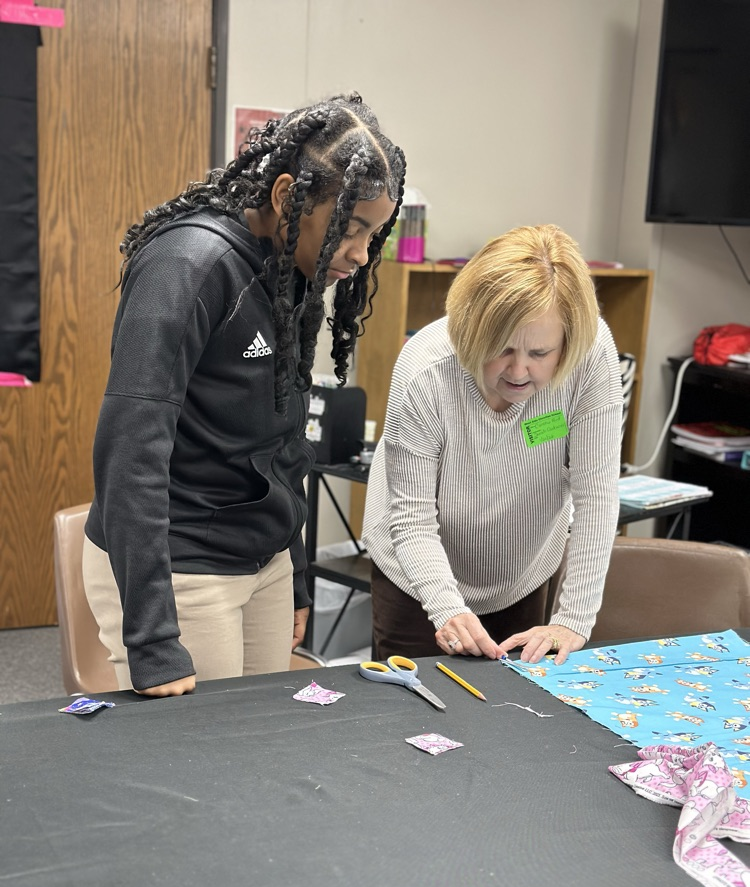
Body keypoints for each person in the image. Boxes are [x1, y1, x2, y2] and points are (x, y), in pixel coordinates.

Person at [82, 92, 405, 697]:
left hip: (262, 563)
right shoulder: (190, 266)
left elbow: (282, 439)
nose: (361, 256)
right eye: (352, 229)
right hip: (182, 565)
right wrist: (152, 638)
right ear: (288, 197)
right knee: (196, 773)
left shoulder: (292, 271)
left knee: (254, 757)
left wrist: (297, 573)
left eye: (374, 235)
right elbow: (131, 453)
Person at [362, 224, 623, 667]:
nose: (519, 371)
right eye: (502, 349)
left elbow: (596, 495)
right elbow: (412, 520)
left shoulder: (590, 355)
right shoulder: (428, 371)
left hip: (524, 572)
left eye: (540, 354)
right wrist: (447, 609)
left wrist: (574, 618)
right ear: (472, 329)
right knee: (410, 719)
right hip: (415, 574)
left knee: (512, 716)